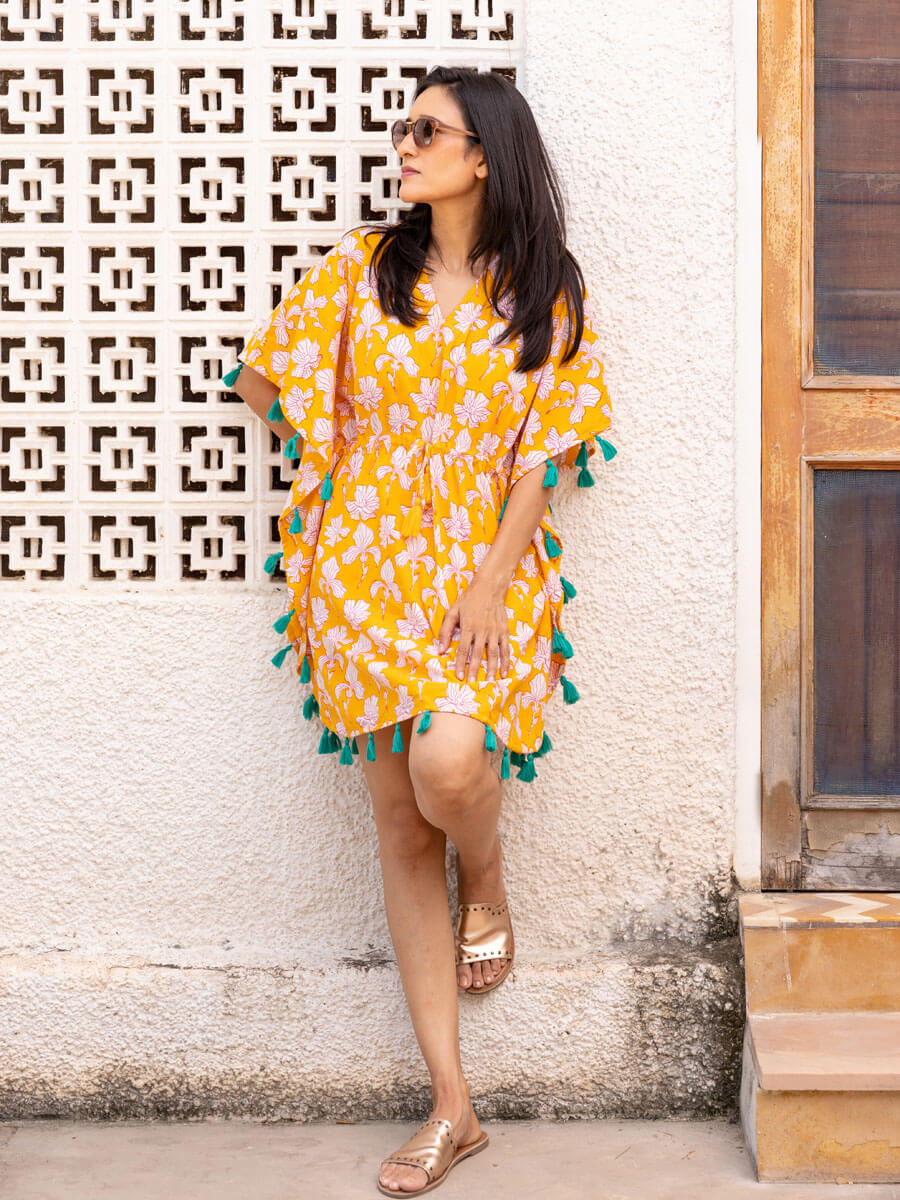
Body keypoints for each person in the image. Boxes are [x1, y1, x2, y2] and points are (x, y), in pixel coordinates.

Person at [224, 64, 615, 1197]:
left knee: (451, 765)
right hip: (361, 581)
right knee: (399, 828)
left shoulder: (543, 287)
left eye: (425, 131)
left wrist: (490, 582)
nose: (403, 146)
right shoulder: (363, 268)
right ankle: (453, 1106)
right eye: (404, 131)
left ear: (483, 155)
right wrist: (349, 476)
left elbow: (547, 452)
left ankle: (485, 872)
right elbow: (265, 381)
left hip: (483, 579)